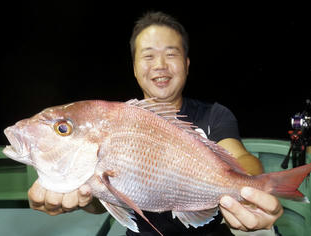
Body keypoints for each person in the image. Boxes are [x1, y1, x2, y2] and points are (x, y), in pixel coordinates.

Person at [28, 11, 283, 235]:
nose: (160, 66)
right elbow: (102, 198)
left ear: (186, 64)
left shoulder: (215, 114)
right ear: (135, 67)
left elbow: (239, 156)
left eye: (171, 54)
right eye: (148, 56)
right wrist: (82, 198)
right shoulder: (119, 122)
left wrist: (252, 188)